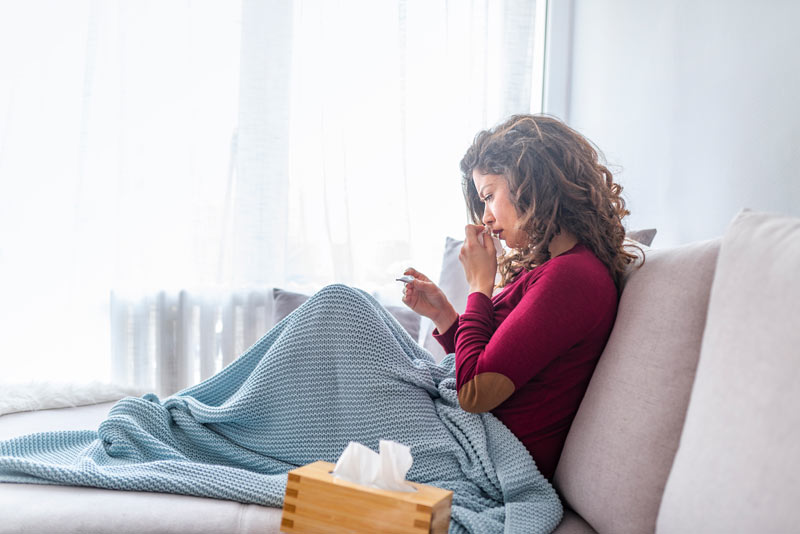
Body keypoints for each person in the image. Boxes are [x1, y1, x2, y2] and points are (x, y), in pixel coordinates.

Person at [401, 114, 638, 480]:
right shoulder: (551, 270)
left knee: (340, 307)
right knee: (344, 309)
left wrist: (480, 284)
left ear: (532, 182)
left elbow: (476, 393)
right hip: (474, 441)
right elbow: (490, 366)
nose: (485, 218)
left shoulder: (573, 277)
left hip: (490, 457)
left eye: (490, 196)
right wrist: (446, 318)